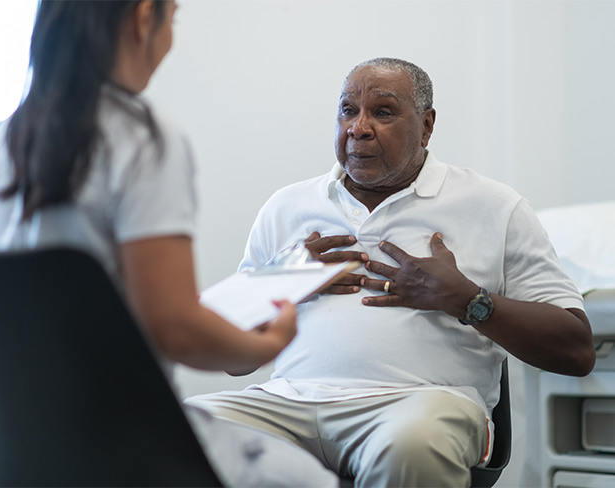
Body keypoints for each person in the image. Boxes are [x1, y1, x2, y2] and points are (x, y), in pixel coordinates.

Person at [0, 2, 338, 486]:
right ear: (145, 18)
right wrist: (267, 341)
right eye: (174, 17)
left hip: (9, 448)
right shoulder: (143, 139)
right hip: (124, 446)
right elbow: (175, 328)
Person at [186, 57, 596, 487]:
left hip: (422, 403)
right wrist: (283, 282)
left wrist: (466, 300)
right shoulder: (286, 207)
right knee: (183, 427)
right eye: (348, 110)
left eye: (382, 112)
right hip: (287, 404)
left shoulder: (495, 206)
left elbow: (576, 351)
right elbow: (232, 362)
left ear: (426, 125)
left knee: (412, 443)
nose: (358, 128)